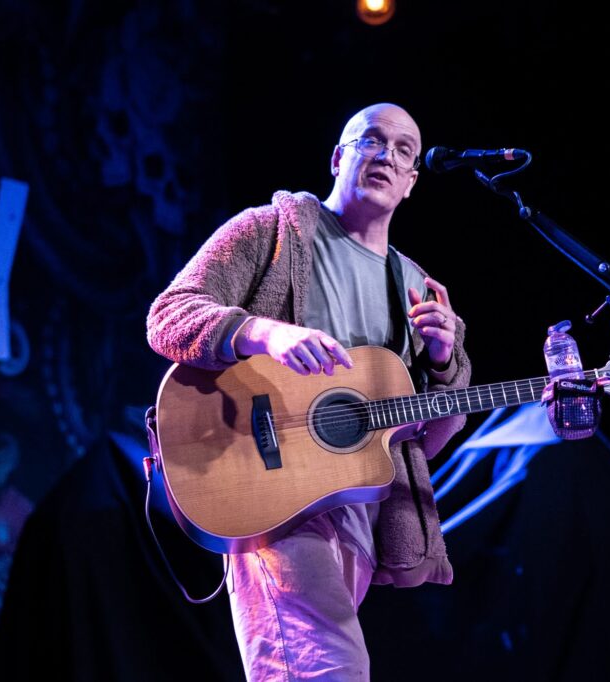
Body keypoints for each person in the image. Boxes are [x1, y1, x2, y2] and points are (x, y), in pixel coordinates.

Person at [146, 103, 471, 680]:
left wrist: (446, 365)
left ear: (413, 181)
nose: (385, 155)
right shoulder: (271, 232)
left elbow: (429, 439)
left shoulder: (419, 289)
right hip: (267, 495)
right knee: (329, 669)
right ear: (338, 156)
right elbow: (169, 316)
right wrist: (264, 332)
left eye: (403, 150)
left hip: (359, 517)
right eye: (370, 140)